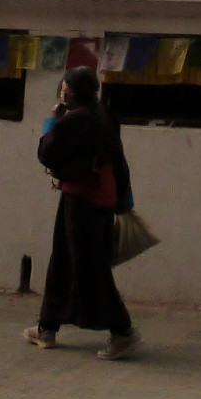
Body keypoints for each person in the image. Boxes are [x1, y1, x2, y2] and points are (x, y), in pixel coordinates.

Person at [24, 65, 139, 359]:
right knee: (63, 260)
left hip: (83, 201)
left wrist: (53, 120)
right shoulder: (104, 114)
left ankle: (123, 331)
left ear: (70, 92)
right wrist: (125, 199)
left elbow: (46, 152)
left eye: (64, 89)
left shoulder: (75, 120)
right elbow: (119, 160)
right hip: (99, 198)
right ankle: (46, 326)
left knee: (90, 268)